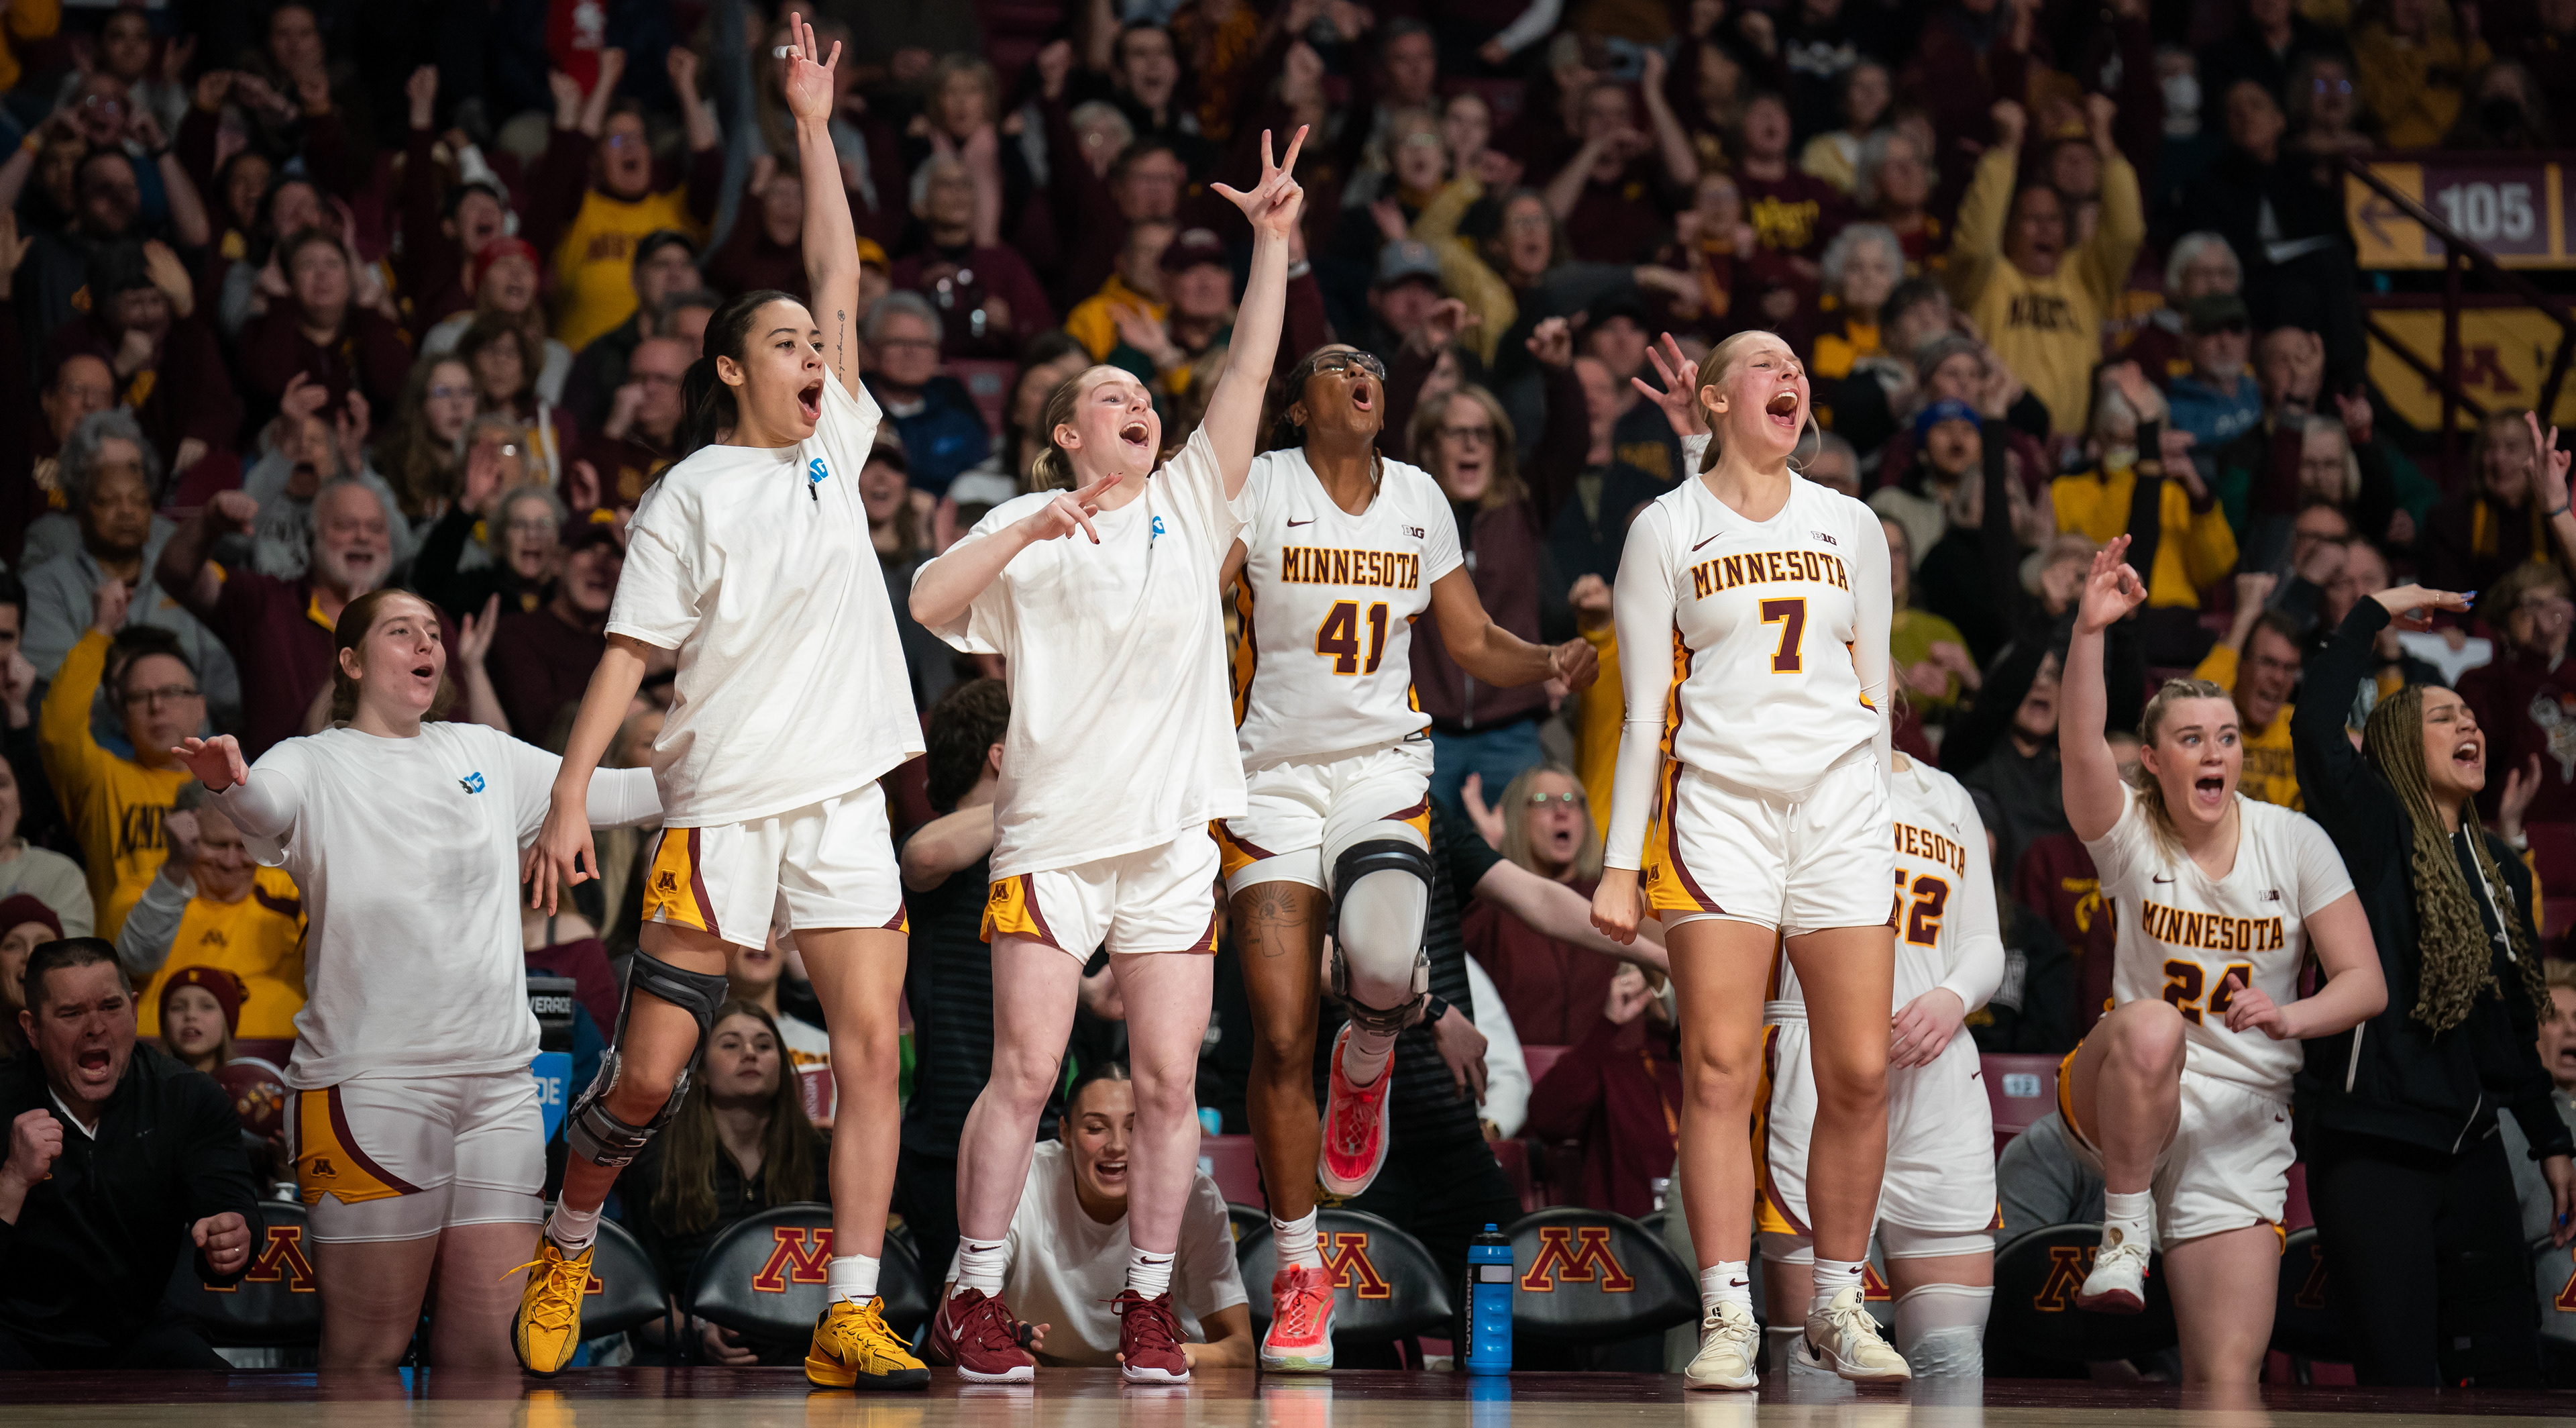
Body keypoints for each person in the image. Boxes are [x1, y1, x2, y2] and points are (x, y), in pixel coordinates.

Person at [519, 21, 932, 1390]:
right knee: (645, 1075)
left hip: (842, 796)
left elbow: (841, 269)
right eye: (789, 343)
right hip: (726, 797)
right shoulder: (690, 491)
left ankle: (850, 1309)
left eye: (822, 343)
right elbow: (631, 654)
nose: (817, 350)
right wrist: (574, 789)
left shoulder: (839, 443)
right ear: (733, 370)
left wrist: (812, 123)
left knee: (873, 1048)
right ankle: (571, 1229)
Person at [906, 125, 1307, 1386]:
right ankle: (971, 1294)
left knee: (1165, 1082)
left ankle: (1148, 1302)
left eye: (1143, 396)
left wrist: (1274, 243)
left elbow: (1245, 374)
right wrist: (1030, 518)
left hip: (1173, 836)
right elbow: (929, 600)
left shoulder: (1193, 504)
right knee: (1024, 1072)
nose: (1137, 405)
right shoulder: (1027, 528)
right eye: (1109, 400)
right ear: (1067, 436)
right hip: (1056, 836)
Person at [1215, 336, 1595, 1372]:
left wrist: (1548, 654)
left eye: (1371, 365)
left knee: (1385, 969)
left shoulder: (1421, 495)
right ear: (1298, 406)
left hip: (1383, 764)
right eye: (1337, 364)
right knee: (1283, 1033)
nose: (1360, 373)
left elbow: (1470, 641)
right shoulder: (1259, 487)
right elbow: (1190, 611)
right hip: (1268, 777)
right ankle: (1300, 1275)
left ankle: (1372, 1057)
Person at [164, 586, 660, 1370]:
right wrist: (228, 783)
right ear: (352, 662)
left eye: (432, 630)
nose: (425, 641)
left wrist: (728, 774)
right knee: (367, 1355)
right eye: (401, 631)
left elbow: (614, 793)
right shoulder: (311, 760)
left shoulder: (483, 752)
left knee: (489, 1360)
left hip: (500, 1090)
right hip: (370, 1089)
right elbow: (263, 805)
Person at [1592, 328, 1904, 1390]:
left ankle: (1835, 1303)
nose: (1793, 376)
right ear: (1716, 399)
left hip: (1839, 814)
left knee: (1859, 1069)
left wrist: (1880, 811)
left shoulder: (1854, 526)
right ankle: (1729, 1313)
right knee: (1722, 1068)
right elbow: (1643, 712)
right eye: (1766, 364)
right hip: (1718, 808)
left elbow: (1880, 693)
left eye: (1796, 365)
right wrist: (1620, 863)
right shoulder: (1664, 528)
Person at [2055, 536, 2385, 1384]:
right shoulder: (2129, 832)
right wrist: (2089, 632)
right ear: (2155, 762)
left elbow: (2364, 983)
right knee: (2157, 1026)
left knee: (2227, 1381)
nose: (2215, 753)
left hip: (2241, 1115)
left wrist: (2291, 1015)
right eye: (2192, 739)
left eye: (2228, 737)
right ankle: (2124, 1233)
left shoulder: (2294, 840)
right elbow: (2083, 744)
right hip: (2123, 1086)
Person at [2291, 417, 2576, 1386]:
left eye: (2469, 718)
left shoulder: (2502, 865)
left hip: (2466, 1141)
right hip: (2370, 1139)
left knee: (2510, 1367)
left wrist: (2547, 1138)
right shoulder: (2370, 827)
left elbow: (2507, 1024)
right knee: (2400, 1373)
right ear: (2400, 749)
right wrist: (2372, 609)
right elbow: (2316, 723)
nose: (2467, 727)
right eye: (2441, 717)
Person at [1755, 750, 2003, 1382]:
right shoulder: (1777, 768)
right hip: (1814, 1049)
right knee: (1816, 1354)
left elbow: (1981, 940)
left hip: (1938, 1063)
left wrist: (1955, 996)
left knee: (1949, 1356)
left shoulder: (1946, 794)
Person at [0, 939, 262, 1368]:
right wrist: (12, 1180)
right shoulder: (5, 1098)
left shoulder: (187, 1098)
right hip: (18, 1336)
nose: (95, 1027)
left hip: (141, 1333)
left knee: (221, 1399)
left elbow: (232, 1211)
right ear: (32, 1029)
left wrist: (233, 1237)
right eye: (71, 1013)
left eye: (110, 1007)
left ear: (135, 1008)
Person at [941, 1062, 1253, 1370]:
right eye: (1095, 1128)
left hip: (1157, 1388)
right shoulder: (1019, 1180)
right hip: (1044, 1391)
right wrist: (985, 1341)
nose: (1117, 1145)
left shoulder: (1195, 1196)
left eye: (1135, 1128)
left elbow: (1241, 1350)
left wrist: (1186, 1355)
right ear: (1065, 1132)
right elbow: (941, 1335)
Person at [622, 999, 831, 1366]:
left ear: (782, 1067)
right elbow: (643, 1302)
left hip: (807, 1360)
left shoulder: (825, 1158)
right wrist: (698, 1331)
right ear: (700, 1072)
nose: (749, 1053)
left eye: (765, 1046)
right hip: (692, 1364)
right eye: (731, 1044)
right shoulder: (655, 1165)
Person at [41, 584, 201, 941]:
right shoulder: (103, 781)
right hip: (126, 966)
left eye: (172, 693)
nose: (157, 706)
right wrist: (100, 630)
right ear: (121, 713)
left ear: (201, 707)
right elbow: (58, 731)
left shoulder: (228, 790)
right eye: (140, 697)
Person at [121, 782, 307, 1043]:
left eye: (244, 847)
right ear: (183, 834)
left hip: (272, 1066)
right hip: (160, 1063)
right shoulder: (143, 893)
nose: (231, 862)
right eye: (217, 845)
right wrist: (176, 866)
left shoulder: (294, 895)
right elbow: (136, 963)